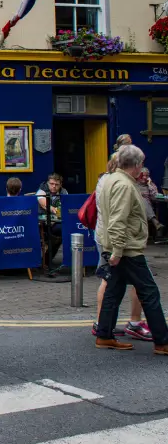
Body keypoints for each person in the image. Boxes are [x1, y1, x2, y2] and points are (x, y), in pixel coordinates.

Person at [95, 144, 168, 354]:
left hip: (116, 246)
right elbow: (118, 220)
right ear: (135, 165)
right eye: (141, 164)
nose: (142, 168)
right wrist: (117, 252)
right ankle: (162, 341)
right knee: (150, 292)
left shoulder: (109, 179)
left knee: (113, 290)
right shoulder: (124, 186)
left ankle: (104, 335)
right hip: (126, 249)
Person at [92, 153, 148, 340]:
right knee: (139, 285)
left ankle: (103, 328)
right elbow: (118, 219)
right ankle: (134, 323)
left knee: (111, 282)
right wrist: (117, 250)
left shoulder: (105, 181)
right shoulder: (120, 184)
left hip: (108, 239)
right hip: (119, 243)